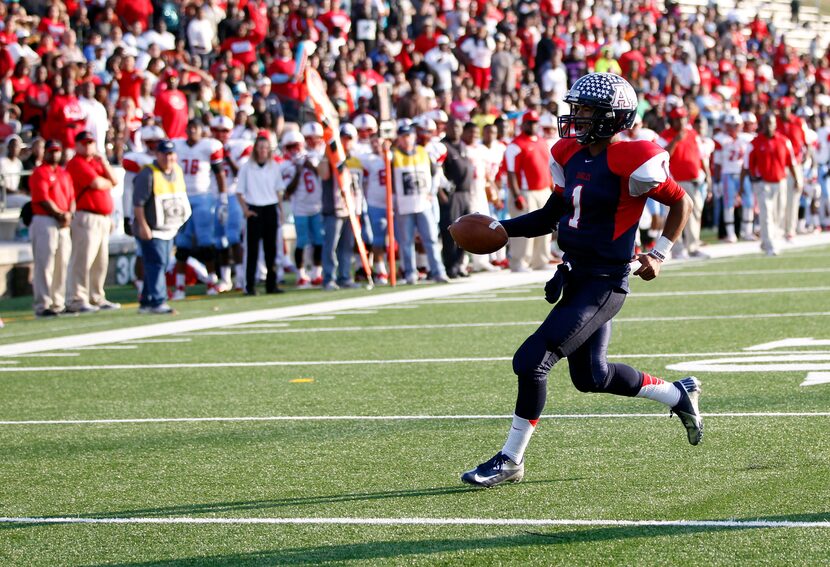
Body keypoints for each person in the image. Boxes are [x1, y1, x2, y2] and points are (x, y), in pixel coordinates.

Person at [461, 73, 699, 488]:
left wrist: (659, 253)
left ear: (612, 116)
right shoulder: (568, 152)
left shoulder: (634, 158)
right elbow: (549, 215)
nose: (577, 117)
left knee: (531, 362)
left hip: (605, 281)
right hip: (575, 275)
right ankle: (678, 395)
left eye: (587, 110)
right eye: (577, 108)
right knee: (592, 377)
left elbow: (682, 202)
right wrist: (501, 228)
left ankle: (511, 459)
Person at [132, 139, 190, 314]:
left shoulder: (177, 171)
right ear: (157, 154)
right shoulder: (148, 174)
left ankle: (147, 300)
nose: (168, 157)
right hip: (152, 227)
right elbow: (138, 203)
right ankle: (158, 300)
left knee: (160, 263)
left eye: (171, 154)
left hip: (169, 227)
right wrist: (142, 225)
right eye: (164, 154)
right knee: (156, 262)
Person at [65, 131, 120, 313]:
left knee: (101, 260)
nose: (88, 146)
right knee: (83, 259)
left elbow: (114, 180)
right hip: (85, 216)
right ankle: (77, 298)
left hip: (103, 217)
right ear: (78, 145)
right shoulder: (76, 163)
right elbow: (97, 183)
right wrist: (107, 182)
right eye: (85, 143)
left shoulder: (97, 162)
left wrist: (104, 162)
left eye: (91, 143)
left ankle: (96, 296)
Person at [172, 119, 226, 298]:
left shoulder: (209, 146)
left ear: (201, 130)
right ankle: (179, 287)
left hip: (203, 197)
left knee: (206, 243)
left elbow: (219, 173)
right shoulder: (177, 145)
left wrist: (223, 197)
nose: (193, 131)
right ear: (186, 129)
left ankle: (212, 282)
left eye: (196, 127)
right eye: (190, 128)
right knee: (182, 244)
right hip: (182, 197)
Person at [740, 113, 802, 256]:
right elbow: (746, 165)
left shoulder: (784, 141)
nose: (769, 126)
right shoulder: (755, 143)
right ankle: (770, 244)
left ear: (775, 124)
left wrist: (797, 179)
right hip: (762, 183)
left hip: (780, 181)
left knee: (779, 213)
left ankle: (768, 240)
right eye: (766, 123)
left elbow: (791, 162)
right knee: (766, 213)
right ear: (762, 124)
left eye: (771, 123)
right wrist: (742, 184)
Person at [505, 110, 555, 272]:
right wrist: (517, 195)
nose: (533, 125)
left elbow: (548, 168)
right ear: (524, 124)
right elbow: (511, 173)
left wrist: (552, 186)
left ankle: (540, 260)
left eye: (535, 122)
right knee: (523, 229)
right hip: (526, 192)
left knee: (545, 228)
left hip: (544, 190)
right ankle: (519, 262)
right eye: (530, 122)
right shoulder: (515, 145)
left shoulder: (542, 142)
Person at [29, 140, 74, 318]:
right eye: (51, 151)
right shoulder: (40, 172)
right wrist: (60, 214)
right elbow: (42, 198)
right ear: (45, 153)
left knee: (62, 264)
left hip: (63, 223)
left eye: (57, 151)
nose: (54, 154)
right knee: (45, 264)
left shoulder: (64, 173)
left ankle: (58, 302)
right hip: (46, 220)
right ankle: (43, 304)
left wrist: (69, 214)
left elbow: (71, 197)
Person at [237, 135, 284, 295]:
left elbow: (278, 191)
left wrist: (281, 211)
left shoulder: (274, 166)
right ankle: (249, 285)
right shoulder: (247, 167)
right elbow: (239, 192)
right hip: (255, 209)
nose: (263, 151)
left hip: (270, 209)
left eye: (266, 148)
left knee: (271, 251)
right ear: (255, 149)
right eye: (260, 147)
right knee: (252, 252)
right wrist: (246, 210)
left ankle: (271, 284)